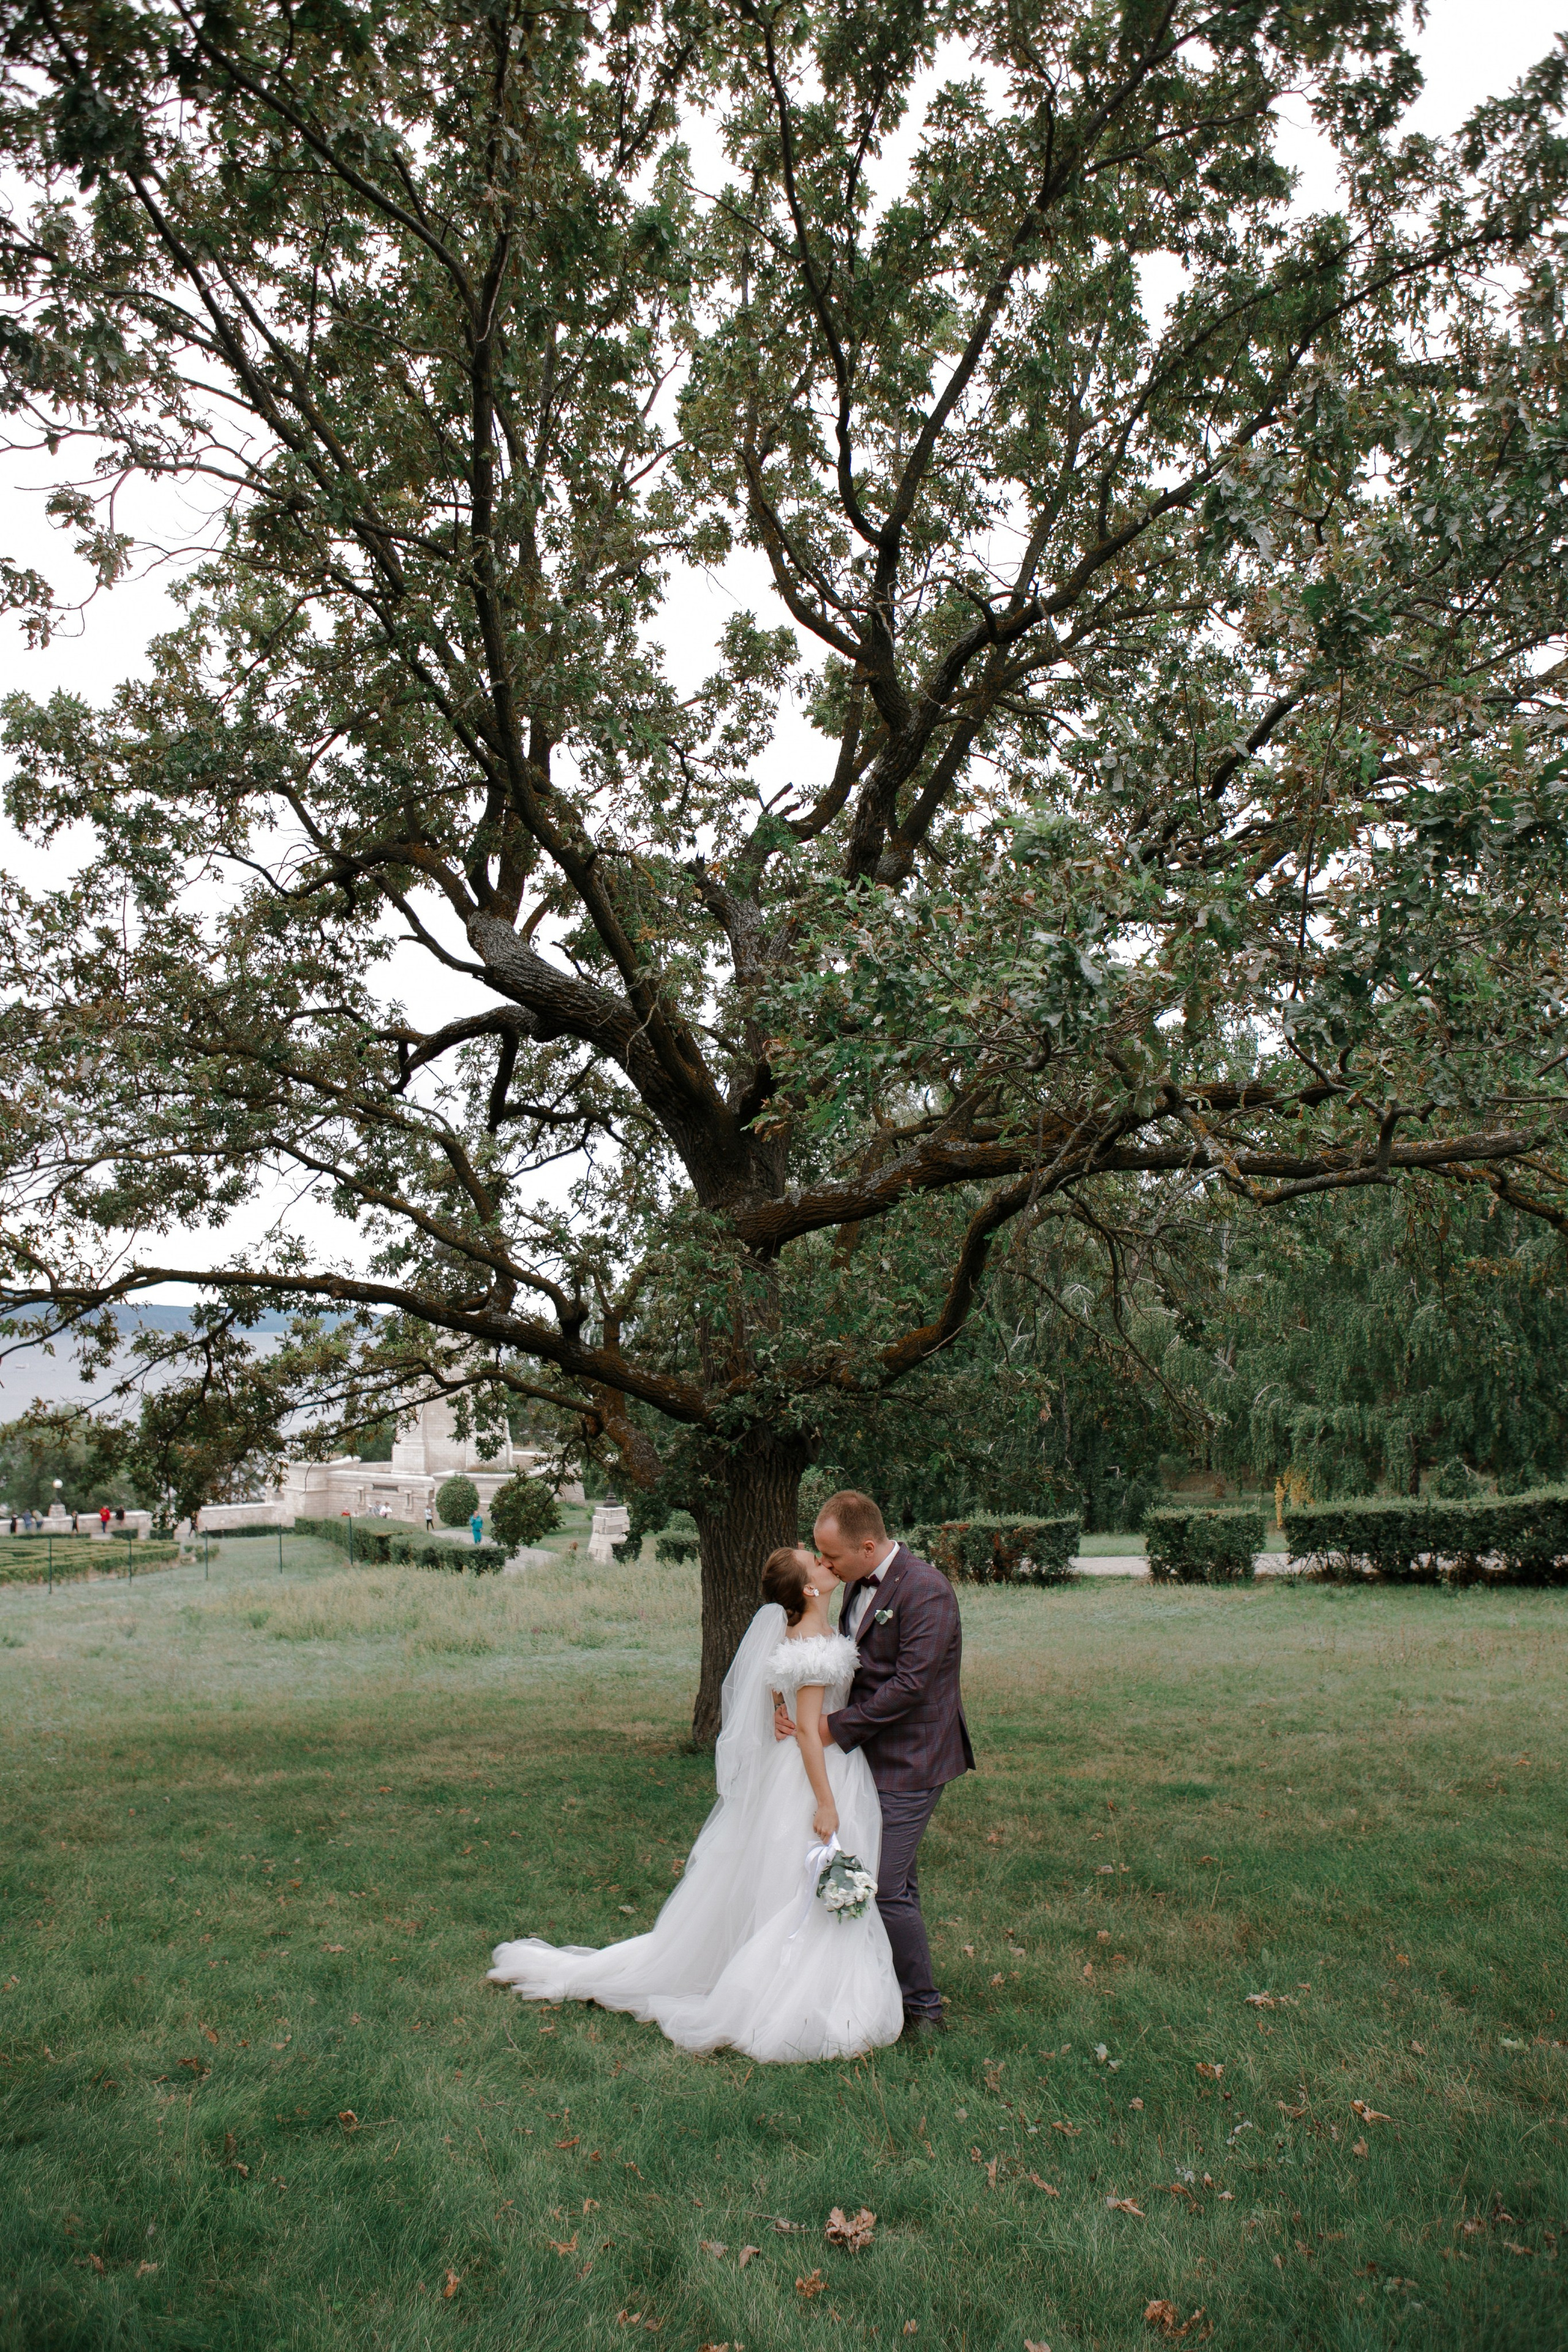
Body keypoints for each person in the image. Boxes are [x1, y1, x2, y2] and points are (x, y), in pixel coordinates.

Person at [488, 1544, 902, 2060]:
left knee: (785, 1880)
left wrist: (780, 1704)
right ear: (810, 1589)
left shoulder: (796, 1632)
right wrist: (825, 1803)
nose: (827, 1561)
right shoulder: (814, 1640)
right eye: (817, 1561)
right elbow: (808, 1736)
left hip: (798, 1773)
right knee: (804, 1883)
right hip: (817, 1774)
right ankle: (793, 1992)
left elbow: (778, 1679)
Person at [777, 1490, 974, 2043]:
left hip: (913, 1758)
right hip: (864, 1759)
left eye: (833, 1557)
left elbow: (911, 1686)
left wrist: (832, 1729)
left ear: (868, 1547)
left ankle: (925, 2011)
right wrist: (783, 1708)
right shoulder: (855, 1586)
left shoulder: (927, 1591)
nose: (825, 1566)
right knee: (896, 1881)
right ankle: (883, 1990)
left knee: (888, 1887)